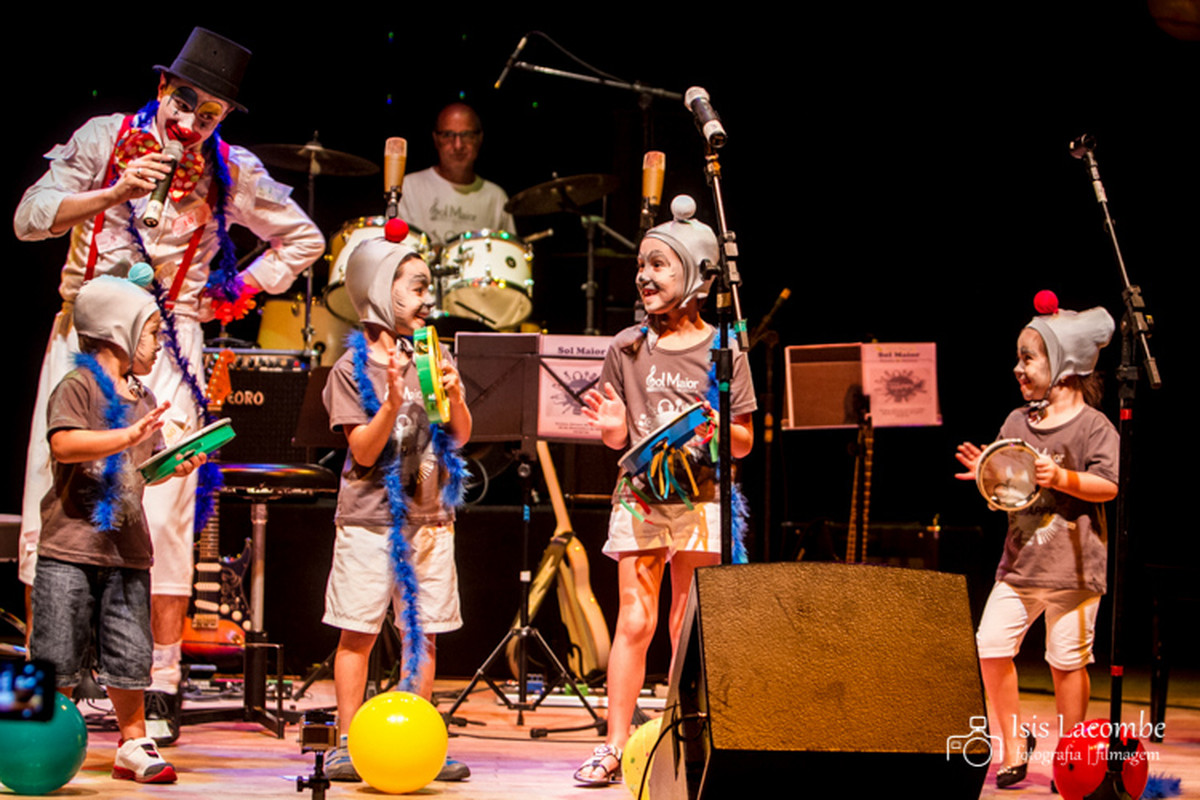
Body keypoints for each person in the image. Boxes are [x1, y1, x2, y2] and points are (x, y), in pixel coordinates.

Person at [13, 28, 325, 744]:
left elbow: (303, 238)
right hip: (83, 335)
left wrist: (239, 289)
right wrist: (111, 191)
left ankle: (157, 691)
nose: (191, 122)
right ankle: (33, 702)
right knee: (47, 507)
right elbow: (27, 220)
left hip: (167, 345)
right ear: (163, 89)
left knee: (165, 516)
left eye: (210, 113)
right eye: (185, 102)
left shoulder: (232, 170)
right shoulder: (102, 139)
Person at [575, 196, 755, 785]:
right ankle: (614, 743)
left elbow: (745, 441)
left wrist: (716, 423)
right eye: (642, 265)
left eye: (660, 266)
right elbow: (617, 435)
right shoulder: (626, 347)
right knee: (634, 617)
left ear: (700, 277)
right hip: (641, 496)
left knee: (688, 619)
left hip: (702, 495)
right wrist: (611, 431)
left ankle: (691, 730)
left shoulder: (725, 349)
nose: (644, 276)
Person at [30, 272, 206, 784]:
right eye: (151, 332)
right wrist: (126, 434)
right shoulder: (77, 385)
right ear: (118, 332)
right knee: (53, 650)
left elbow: (137, 468)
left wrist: (170, 465)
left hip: (127, 548)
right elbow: (64, 445)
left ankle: (133, 741)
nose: (157, 344)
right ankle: (28, 734)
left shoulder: (143, 396)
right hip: (70, 545)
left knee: (130, 649)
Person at [320, 218, 473, 783]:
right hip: (370, 521)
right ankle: (346, 739)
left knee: (422, 630)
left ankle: (417, 734)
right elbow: (361, 450)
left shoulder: (432, 358)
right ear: (381, 293)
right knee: (357, 631)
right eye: (414, 285)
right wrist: (387, 402)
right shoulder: (349, 369)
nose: (426, 296)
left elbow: (457, 436)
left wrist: (454, 397)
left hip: (431, 518)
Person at [955, 291, 1118, 789]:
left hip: (1073, 569)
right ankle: (1012, 742)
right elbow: (1013, 490)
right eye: (1019, 358)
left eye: (1028, 358)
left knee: (1067, 662)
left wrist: (1060, 476)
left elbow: (1108, 485)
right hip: (1021, 566)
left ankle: (1072, 755)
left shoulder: (1094, 426)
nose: (1017, 368)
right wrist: (990, 474)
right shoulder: (1015, 422)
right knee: (989, 646)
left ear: (1064, 367)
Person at [394, 102, 515, 246]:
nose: (458, 145)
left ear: (479, 138)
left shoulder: (496, 197)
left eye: (467, 135)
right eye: (448, 135)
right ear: (436, 139)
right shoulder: (409, 186)